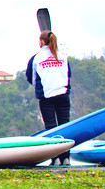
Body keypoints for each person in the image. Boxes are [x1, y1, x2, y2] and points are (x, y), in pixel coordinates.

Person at [26, 30, 72, 166]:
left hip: (47, 96)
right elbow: (68, 74)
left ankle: (55, 158)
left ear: (40, 42)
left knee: (51, 128)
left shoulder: (37, 58)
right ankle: (66, 158)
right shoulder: (63, 56)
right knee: (65, 126)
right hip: (63, 94)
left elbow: (31, 77)